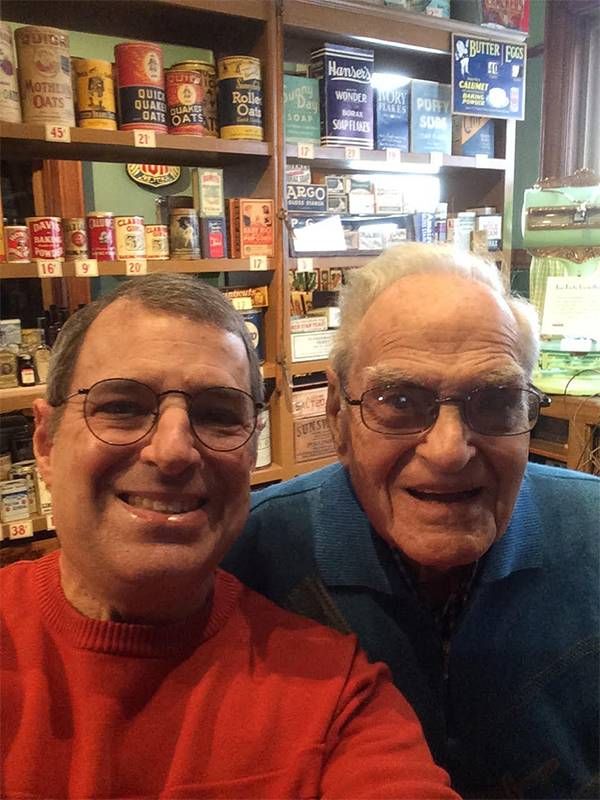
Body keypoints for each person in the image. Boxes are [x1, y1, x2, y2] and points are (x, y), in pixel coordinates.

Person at [0, 273, 458, 800]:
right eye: (122, 406)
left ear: (251, 449)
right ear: (45, 443)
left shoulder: (334, 695)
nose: (172, 451)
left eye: (218, 415)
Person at [224, 244, 600, 799]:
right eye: (399, 399)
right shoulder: (249, 559)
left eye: (495, 400)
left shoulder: (592, 531)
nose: (449, 451)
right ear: (337, 415)